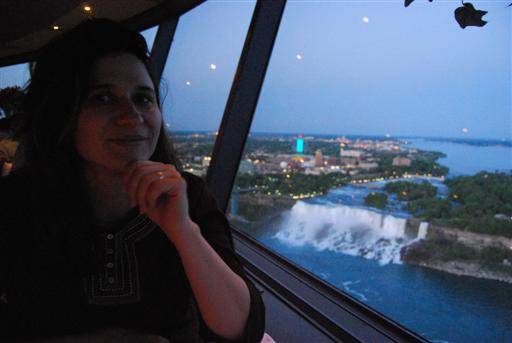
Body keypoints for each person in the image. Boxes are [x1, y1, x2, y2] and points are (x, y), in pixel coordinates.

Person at [0, 19, 265, 342]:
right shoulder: (16, 204)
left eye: (142, 98)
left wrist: (182, 231)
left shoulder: (188, 197)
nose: (132, 116)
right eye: (103, 98)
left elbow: (243, 329)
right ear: (63, 114)